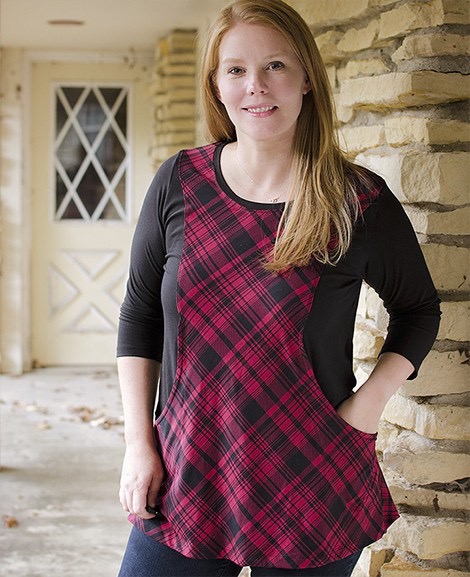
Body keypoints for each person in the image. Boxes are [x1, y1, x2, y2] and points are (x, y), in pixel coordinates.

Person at [116, 0, 441, 575]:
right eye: (236, 69)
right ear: (216, 85)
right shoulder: (179, 182)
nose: (256, 86)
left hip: (312, 473)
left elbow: (418, 309)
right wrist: (139, 444)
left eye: (275, 66)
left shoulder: (355, 198)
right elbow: (140, 317)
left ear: (307, 77)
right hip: (188, 466)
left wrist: (367, 407)